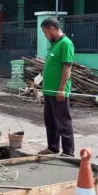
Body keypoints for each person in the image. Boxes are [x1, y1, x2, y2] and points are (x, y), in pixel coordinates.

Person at [38, 17, 75, 157]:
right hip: (48, 91)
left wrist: (61, 89)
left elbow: (67, 67)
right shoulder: (54, 44)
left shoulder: (66, 43)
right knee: (50, 121)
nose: (45, 35)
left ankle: (68, 151)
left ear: (52, 29)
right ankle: (53, 147)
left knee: (63, 121)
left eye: (45, 32)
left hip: (58, 92)